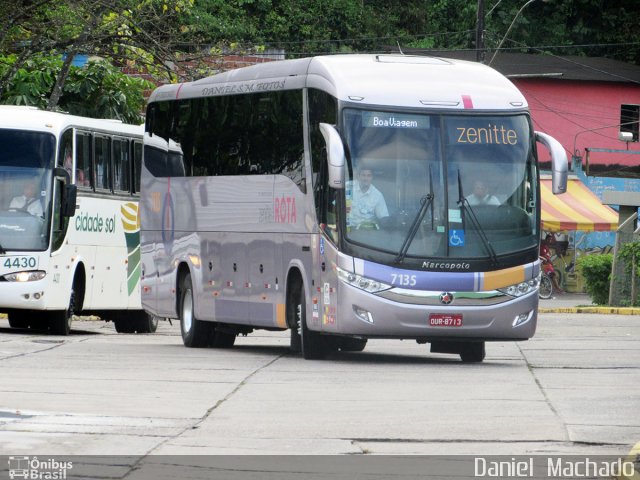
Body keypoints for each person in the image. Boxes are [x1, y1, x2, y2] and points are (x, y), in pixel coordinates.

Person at [348, 163, 389, 229]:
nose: (366, 178)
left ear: (372, 177)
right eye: (363, 175)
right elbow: (335, 206)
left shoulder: (377, 195)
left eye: (369, 176)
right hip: (347, 231)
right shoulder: (348, 187)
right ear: (358, 176)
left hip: (367, 232)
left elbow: (383, 217)